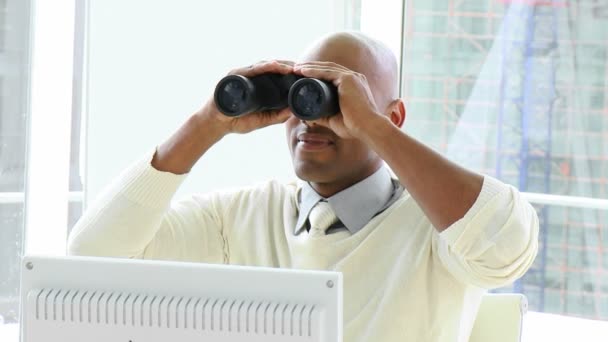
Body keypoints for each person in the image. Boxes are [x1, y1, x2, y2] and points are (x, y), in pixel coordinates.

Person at [68, 31, 539, 341]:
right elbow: (93, 257)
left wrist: (371, 128)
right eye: (302, 95)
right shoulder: (243, 215)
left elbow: (506, 243)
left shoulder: (439, 228)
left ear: (391, 116)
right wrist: (207, 122)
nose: (312, 117)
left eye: (333, 97)